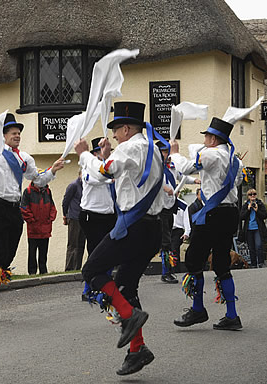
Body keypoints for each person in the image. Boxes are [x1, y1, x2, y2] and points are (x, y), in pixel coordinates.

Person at [75, 101, 165, 375]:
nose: (114, 136)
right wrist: (105, 156)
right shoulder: (153, 150)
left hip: (133, 228)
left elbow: (103, 172)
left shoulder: (130, 148)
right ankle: (137, 350)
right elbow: (115, 175)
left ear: (127, 128)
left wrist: (85, 155)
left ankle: (129, 316)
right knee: (125, 286)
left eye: (116, 130)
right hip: (152, 230)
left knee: (91, 270)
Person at [0, 113, 64, 318]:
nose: (17, 135)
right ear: (4, 135)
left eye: (19, 133)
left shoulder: (25, 158)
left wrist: (52, 171)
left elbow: (37, 180)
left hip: (14, 208)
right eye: (13, 133)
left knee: (6, 257)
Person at [170, 117, 244, 331]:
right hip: (230, 212)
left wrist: (175, 152)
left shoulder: (210, 154)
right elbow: (237, 182)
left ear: (212, 139)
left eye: (206, 136)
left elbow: (186, 167)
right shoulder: (235, 159)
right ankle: (232, 314)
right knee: (221, 262)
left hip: (213, 214)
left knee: (194, 260)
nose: (204, 139)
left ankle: (198, 309)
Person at [155, 140, 200, 284]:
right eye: (163, 151)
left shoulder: (172, 167)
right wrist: (163, 187)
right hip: (159, 208)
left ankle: (167, 271)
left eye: (167, 151)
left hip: (170, 207)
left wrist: (195, 181)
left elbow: (182, 177)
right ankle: (165, 272)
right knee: (165, 242)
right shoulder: (154, 167)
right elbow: (151, 181)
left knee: (166, 242)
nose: (166, 154)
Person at [79, 137, 116, 300]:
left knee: (110, 252)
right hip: (91, 215)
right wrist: (110, 179)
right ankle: (88, 290)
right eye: (102, 151)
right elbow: (95, 179)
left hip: (109, 214)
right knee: (95, 252)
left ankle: (104, 286)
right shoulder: (87, 167)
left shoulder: (109, 168)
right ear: (94, 153)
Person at [20, 181, 57, 275]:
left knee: (43, 252)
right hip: (33, 229)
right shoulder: (27, 192)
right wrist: (32, 220)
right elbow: (24, 208)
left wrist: (50, 219)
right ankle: (32, 272)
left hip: (45, 228)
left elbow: (52, 207)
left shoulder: (47, 192)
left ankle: (43, 271)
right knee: (32, 252)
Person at [62, 171, 86, 271]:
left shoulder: (86, 186)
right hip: (74, 217)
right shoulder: (73, 185)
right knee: (73, 244)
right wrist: (65, 215)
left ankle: (77, 267)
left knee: (81, 244)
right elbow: (65, 201)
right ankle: (70, 267)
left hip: (83, 218)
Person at [239, 189, 267, 268]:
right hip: (248, 229)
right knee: (251, 247)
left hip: (257, 228)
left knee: (258, 246)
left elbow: (265, 215)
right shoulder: (245, 205)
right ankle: (253, 264)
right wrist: (248, 209)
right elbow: (241, 217)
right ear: (248, 196)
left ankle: (260, 262)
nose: (252, 196)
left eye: (254, 194)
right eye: (250, 194)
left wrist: (257, 210)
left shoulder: (259, 203)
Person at [171, 198, 191, 273]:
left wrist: (187, 232)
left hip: (177, 230)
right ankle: (167, 271)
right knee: (167, 250)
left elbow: (186, 219)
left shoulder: (183, 205)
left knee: (174, 249)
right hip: (167, 229)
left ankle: (175, 270)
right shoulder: (165, 201)